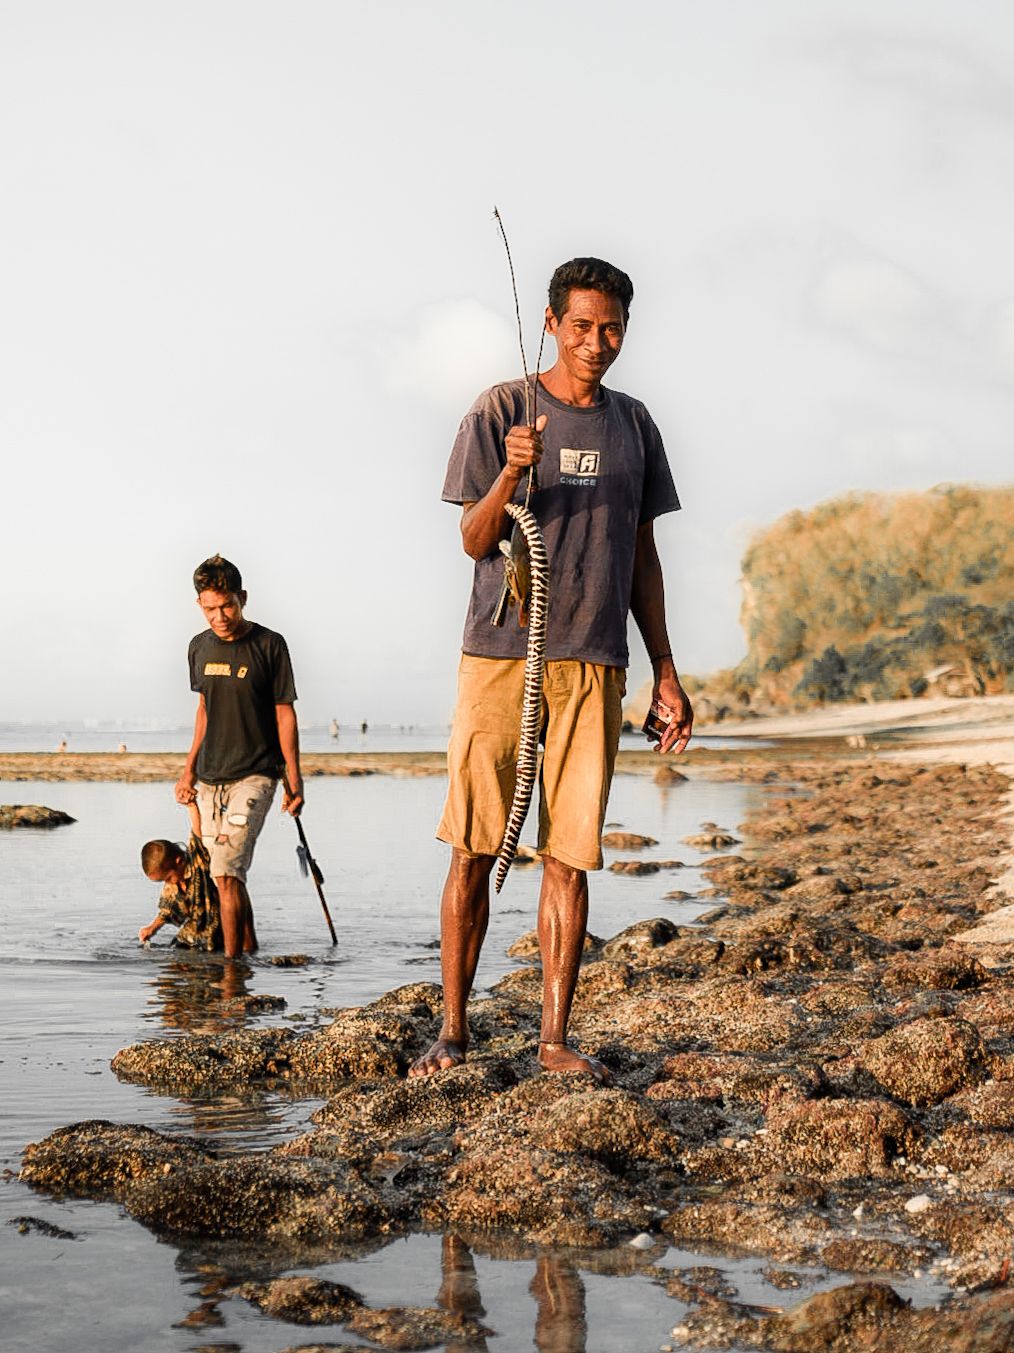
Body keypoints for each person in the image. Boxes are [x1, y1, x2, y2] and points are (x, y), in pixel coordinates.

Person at [411, 256, 693, 1085]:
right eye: (581, 326)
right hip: (502, 659)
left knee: (568, 855)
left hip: (596, 661)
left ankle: (552, 1040)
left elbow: (643, 556)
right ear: (550, 322)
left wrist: (665, 671)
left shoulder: (635, 426)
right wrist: (509, 469)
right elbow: (472, 538)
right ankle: (454, 1029)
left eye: (611, 329)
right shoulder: (501, 407)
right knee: (471, 846)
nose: (597, 343)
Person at [174, 554, 303, 958]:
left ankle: (230, 975)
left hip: (256, 773)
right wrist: (187, 770)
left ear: (242, 597)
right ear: (199, 604)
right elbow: (204, 711)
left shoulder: (269, 645)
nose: (220, 616)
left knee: (226, 872)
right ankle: (248, 951)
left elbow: (285, 712)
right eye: (211, 607)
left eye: (227, 605)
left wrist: (294, 779)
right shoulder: (198, 647)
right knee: (226, 875)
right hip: (211, 776)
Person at [138, 801, 222, 950]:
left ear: (179, 861)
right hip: (194, 932)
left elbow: (197, 831)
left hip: (220, 928)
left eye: (168, 878)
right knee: (174, 957)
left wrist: (192, 806)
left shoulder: (198, 863)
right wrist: (152, 928)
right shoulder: (172, 885)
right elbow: (168, 910)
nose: (168, 882)